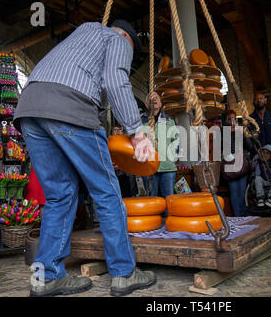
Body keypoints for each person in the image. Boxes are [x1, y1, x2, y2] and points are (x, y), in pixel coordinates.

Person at [13, 20, 157, 296]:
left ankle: (46, 278)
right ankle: (124, 273)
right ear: (127, 38)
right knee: (107, 191)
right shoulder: (116, 40)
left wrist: (101, 151)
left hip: (30, 108)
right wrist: (137, 132)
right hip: (69, 105)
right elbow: (117, 81)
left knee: (59, 195)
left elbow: (98, 102)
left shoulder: (81, 35)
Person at [141, 92, 179, 201]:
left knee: (169, 199)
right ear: (146, 105)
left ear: (161, 104)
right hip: (148, 167)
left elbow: (177, 140)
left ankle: (168, 218)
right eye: (150, 99)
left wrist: (174, 155)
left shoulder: (170, 121)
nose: (154, 99)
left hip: (167, 167)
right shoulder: (139, 122)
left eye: (156, 98)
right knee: (152, 200)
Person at [221, 109, 253, 217]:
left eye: (233, 119)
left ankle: (243, 215)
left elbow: (249, 146)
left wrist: (241, 133)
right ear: (225, 121)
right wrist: (229, 133)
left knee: (242, 191)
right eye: (229, 119)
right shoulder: (222, 132)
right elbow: (222, 148)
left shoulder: (240, 130)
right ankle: (237, 216)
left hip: (242, 163)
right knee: (234, 192)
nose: (231, 121)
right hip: (230, 165)